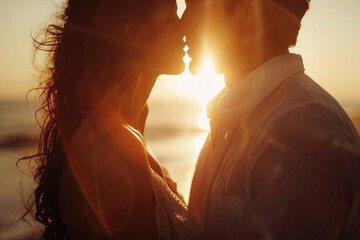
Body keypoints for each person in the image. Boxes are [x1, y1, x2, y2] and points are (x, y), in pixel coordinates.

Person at [23, 0, 201, 239]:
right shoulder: (107, 146)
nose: (183, 26)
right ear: (133, 29)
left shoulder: (130, 123)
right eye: (171, 16)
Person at [182, 0, 360, 239]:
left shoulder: (303, 132)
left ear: (248, 11)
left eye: (194, 5)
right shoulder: (228, 117)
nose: (183, 22)